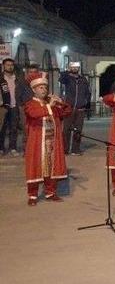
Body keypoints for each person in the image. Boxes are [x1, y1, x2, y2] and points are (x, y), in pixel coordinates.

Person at [23, 71, 72, 205]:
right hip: (37, 142)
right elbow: (35, 114)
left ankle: (50, 192)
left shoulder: (51, 103)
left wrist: (60, 102)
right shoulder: (30, 104)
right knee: (35, 167)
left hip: (52, 141)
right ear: (34, 90)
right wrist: (49, 106)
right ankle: (32, 196)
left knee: (51, 167)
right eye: (40, 88)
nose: (44, 90)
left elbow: (67, 112)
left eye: (45, 87)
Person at [58, 61, 90, 155]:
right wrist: (67, 71)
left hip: (80, 108)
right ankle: (65, 149)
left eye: (76, 67)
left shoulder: (83, 79)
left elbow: (87, 92)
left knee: (78, 130)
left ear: (79, 68)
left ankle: (75, 149)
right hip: (69, 107)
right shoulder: (67, 78)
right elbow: (61, 79)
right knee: (66, 129)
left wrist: (85, 104)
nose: (75, 69)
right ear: (70, 67)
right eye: (73, 67)